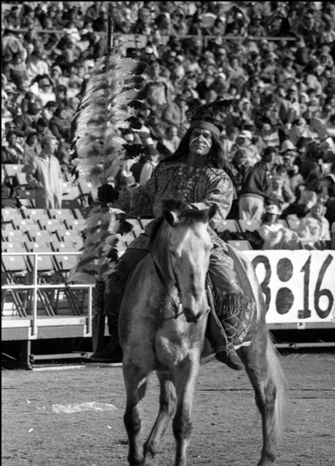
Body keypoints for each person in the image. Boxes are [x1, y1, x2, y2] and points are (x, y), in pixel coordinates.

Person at [90, 104, 257, 370]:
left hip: (199, 238)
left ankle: (225, 341)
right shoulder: (166, 169)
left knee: (227, 279)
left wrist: (187, 211)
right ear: (187, 139)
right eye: (195, 135)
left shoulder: (220, 178)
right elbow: (143, 197)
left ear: (213, 144)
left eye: (206, 137)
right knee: (118, 274)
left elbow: (217, 209)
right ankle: (116, 342)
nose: (199, 140)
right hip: (157, 236)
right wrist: (116, 196)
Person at [23, 135, 63, 208]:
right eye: (53, 145)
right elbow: (29, 176)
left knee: (58, 217)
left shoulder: (55, 160)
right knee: (46, 217)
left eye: (56, 145)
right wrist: (38, 185)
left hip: (56, 194)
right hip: (44, 194)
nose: (55, 147)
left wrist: (59, 187)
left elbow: (60, 175)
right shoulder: (36, 160)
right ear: (45, 145)